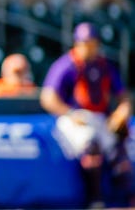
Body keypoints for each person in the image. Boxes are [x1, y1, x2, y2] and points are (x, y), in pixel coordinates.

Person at [40, 22, 134, 208]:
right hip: (74, 116)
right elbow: (48, 98)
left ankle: (126, 200)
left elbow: (123, 96)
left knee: (121, 143)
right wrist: (70, 113)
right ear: (76, 43)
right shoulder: (66, 65)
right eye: (84, 43)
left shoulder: (104, 65)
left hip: (100, 117)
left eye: (91, 43)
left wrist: (122, 111)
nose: (88, 48)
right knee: (91, 146)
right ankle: (94, 200)